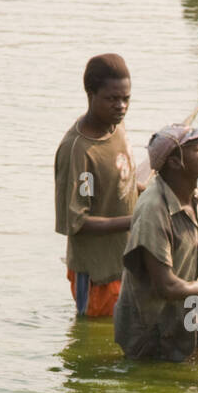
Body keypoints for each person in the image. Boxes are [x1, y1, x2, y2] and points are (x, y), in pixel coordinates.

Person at [113, 123, 198, 362]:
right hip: (151, 336)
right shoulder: (154, 209)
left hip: (176, 325)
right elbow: (167, 287)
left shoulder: (190, 196)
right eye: (196, 147)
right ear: (175, 163)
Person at [54, 54, 137, 319]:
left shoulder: (117, 127)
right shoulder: (80, 151)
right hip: (98, 275)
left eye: (126, 98)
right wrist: (133, 221)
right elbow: (78, 219)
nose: (121, 106)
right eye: (112, 99)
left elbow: (123, 183)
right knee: (94, 341)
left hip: (129, 263)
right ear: (90, 94)